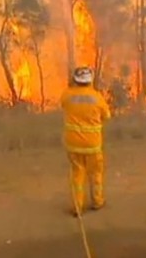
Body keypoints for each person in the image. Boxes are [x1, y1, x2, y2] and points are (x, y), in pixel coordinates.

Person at [60, 66, 111, 217]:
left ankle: (77, 207)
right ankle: (97, 202)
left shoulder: (67, 95)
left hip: (73, 144)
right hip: (92, 145)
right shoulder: (97, 97)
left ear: (75, 80)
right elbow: (106, 115)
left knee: (77, 174)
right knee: (95, 173)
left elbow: (63, 105)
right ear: (90, 80)